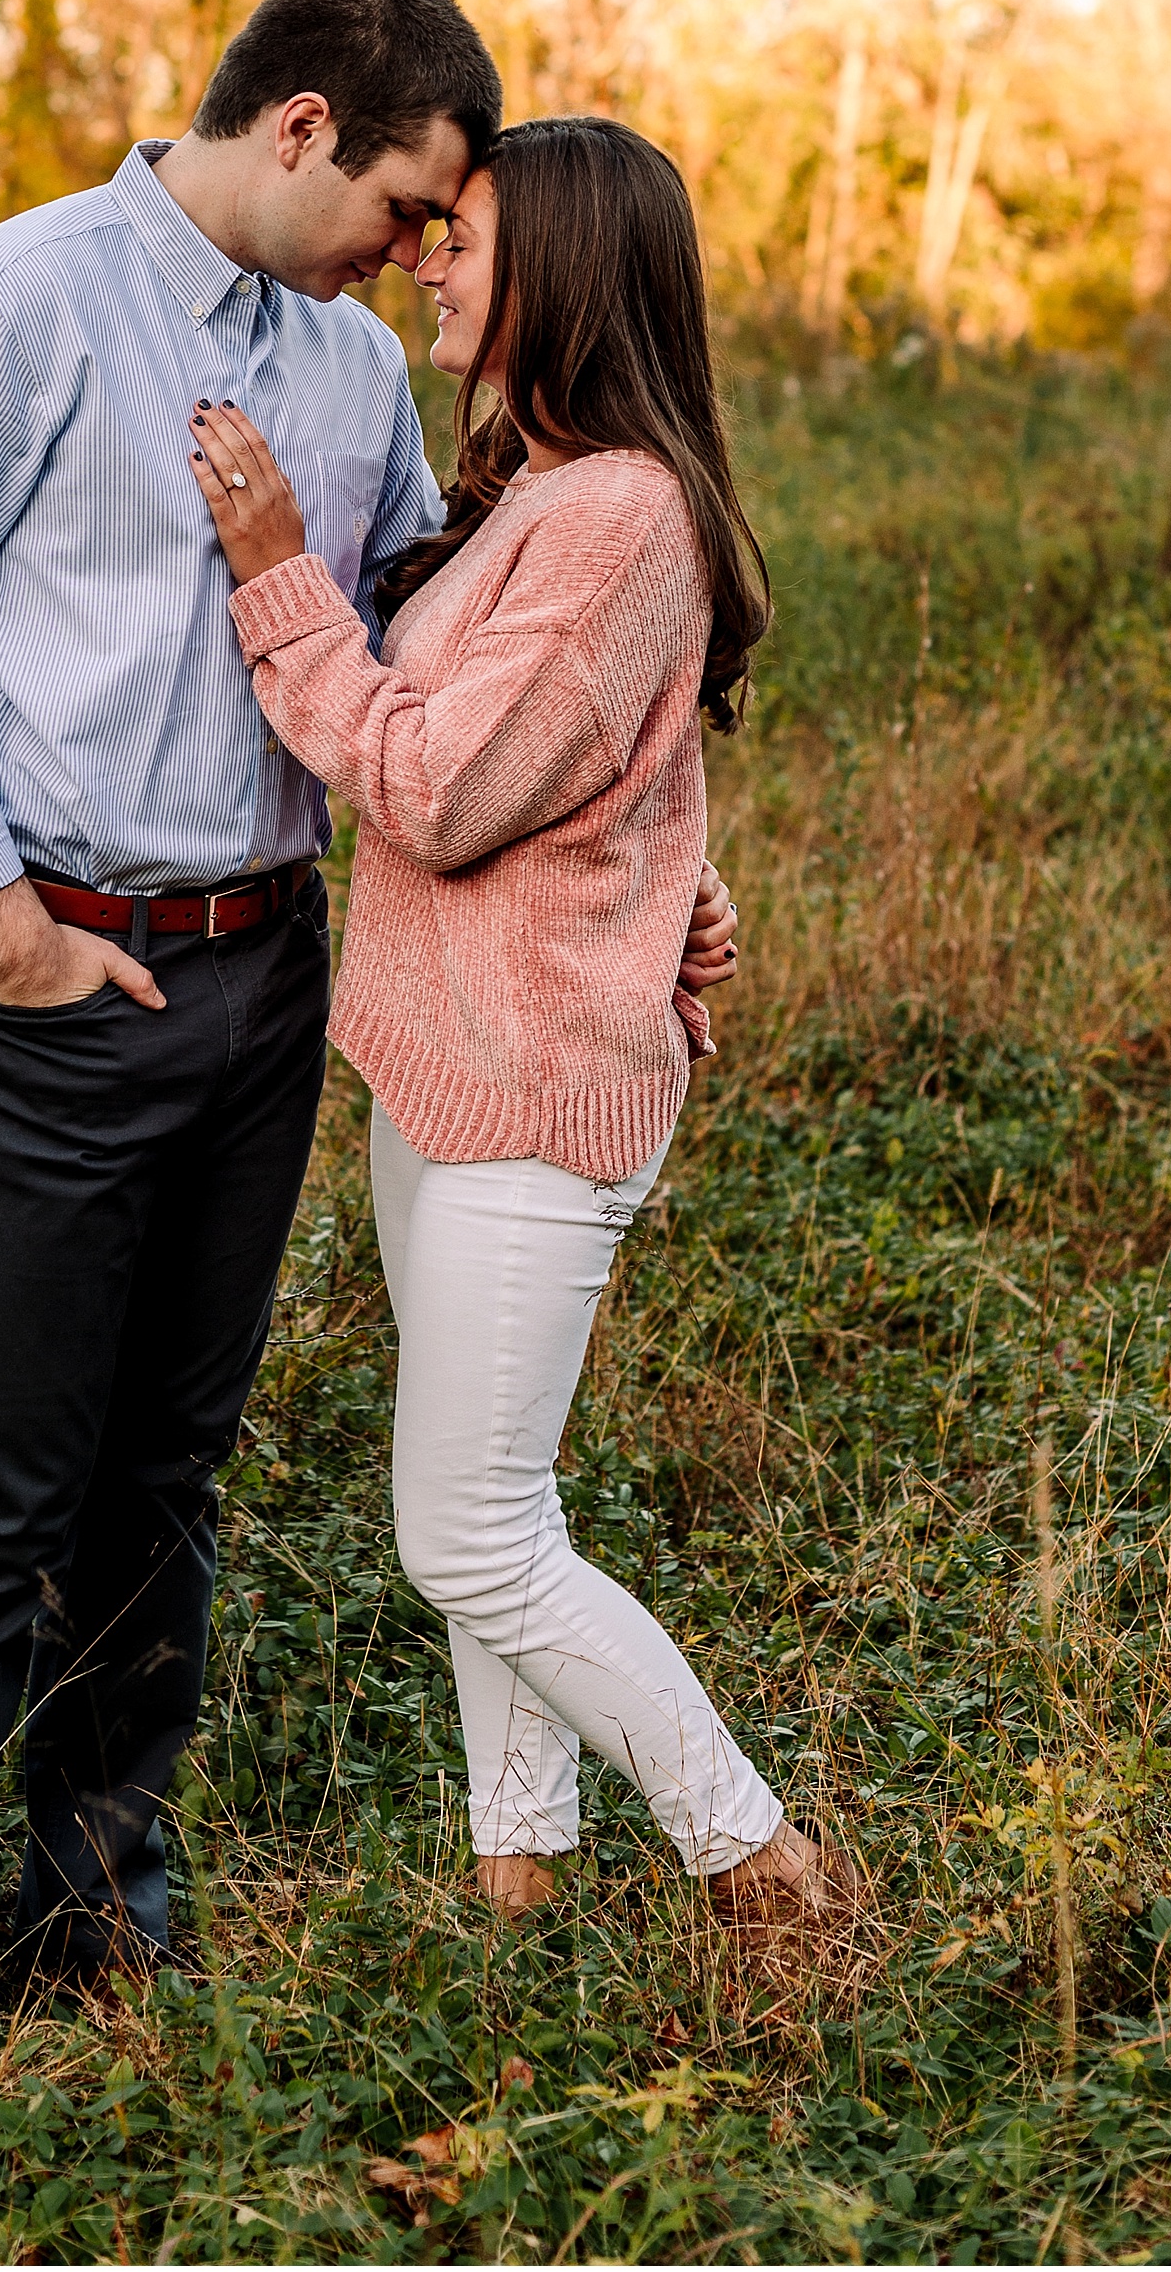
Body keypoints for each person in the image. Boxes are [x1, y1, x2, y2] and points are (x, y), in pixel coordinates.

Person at [0, 0, 738, 2051]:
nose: (418, 256)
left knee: (164, 1480)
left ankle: (102, 1899)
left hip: (257, 987)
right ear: (302, 129)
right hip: (32, 974)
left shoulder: (334, 375)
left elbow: (435, 653)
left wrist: (647, 855)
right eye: (409, 207)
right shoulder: (17, 305)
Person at [191, 113, 844, 1930]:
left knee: (467, 1529)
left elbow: (445, 783)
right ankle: (517, 1874)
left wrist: (274, 571)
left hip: (535, 1096)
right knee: (501, 1498)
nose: (424, 256)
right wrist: (670, 892)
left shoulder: (622, 512)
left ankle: (760, 1858)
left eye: (461, 232)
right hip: (453, 1064)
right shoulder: (549, 487)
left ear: (563, 264)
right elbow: (610, 778)